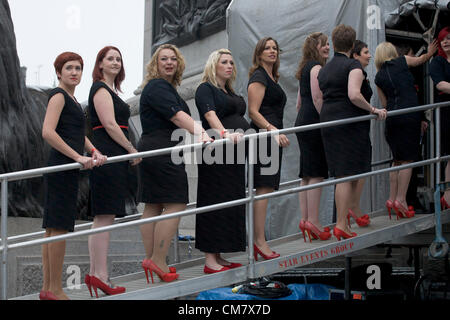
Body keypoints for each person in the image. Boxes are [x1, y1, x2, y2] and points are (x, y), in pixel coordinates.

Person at [138, 44, 211, 283]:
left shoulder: (162, 87)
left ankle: (153, 261)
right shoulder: (158, 86)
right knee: (177, 202)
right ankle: (157, 259)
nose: (169, 63)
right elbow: (178, 116)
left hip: (153, 148)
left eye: (173, 59)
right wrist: (201, 133)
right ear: (155, 65)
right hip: (162, 149)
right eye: (163, 59)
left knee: (153, 205)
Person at [41, 52, 107, 300]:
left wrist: (92, 150)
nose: (74, 72)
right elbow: (48, 132)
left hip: (65, 166)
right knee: (57, 228)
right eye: (69, 68)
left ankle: (49, 289)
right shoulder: (58, 96)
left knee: (53, 229)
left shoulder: (72, 99)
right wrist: (78, 157)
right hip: (61, 166)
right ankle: (54, 288)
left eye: (78, 68)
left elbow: (75, 132)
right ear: (59, 72)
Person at [318, 25, 387, 241]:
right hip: (348, 123)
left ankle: (344, 219)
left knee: (342, 175)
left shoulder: (325, 68)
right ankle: (341, 224)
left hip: (329, 121)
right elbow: (354, 95)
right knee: (348, 175)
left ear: (335, 42)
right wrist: (373, 109)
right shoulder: (353, 65)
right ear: (352, 44)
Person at [85, 46, 141, 298]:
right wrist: (131, 149)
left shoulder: (112, 90)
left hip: (113, 154)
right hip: (108, 152)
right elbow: (108, 123)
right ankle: (99, 275)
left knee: (104, 217)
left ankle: (98, 274)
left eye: (119, 59)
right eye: (110, 59)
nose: (116, 62)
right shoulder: (100, 88)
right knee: (104, 217)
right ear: (100, 64)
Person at [194, 49, 249, 273]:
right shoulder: (205, 89)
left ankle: (220, 253)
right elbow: (209, 115)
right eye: (224, 62)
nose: (229, 66)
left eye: (232, 62)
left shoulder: (229, 91)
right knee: (214, 200)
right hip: (216, 152)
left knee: (230, 199)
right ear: (214, 65)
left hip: (234, 155)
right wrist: (226, 134)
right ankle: (210, 259)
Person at [375, 40, 438, 219]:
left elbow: (384, 103)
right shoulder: (402, 61)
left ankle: (392, 198)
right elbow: (420, 60)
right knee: (408, 160)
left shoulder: (379, 76)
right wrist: (431, 52)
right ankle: (401, 200)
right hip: (408, 116)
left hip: (392, 118)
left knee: (396, 161)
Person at [248, 37, 289, 260]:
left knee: (267, 189)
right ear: (259, 53)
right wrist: (272, 129)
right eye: (267, 48)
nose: (272, 51)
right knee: (263, 189)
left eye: (275, 48)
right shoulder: (259, 76)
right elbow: (253, 111)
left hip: (272, 137)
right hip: (265, 137)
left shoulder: (272, 76)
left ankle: (260, 241)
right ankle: (259, 242)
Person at [294, 32, 331, 242]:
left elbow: (299, 102)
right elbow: (318, 98)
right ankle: (314, 222)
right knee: (316, 172)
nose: (327, 47)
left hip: (302, 120)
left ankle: (305, 219)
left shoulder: (304, 69)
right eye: (323, 45)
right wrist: (326, 123)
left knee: (306, 174)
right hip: (314, 122)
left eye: (328, 44)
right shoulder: (317, 68)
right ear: (314, 48)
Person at [345, 40, 374, 227]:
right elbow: (354, 96)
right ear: (355, 55)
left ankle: (353, 205)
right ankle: (353, 206)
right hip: (357, 124)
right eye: (365, 52)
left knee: (359, 168)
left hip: (360, 124)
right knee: (361, 166)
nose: (369, 55)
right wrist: (372, 109)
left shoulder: (360, 73)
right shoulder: (357, 72)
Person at [429, 26, 450, 210]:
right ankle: (447, 195)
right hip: (446, 114)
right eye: (443, 39)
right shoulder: (437, 62)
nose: (446, 41)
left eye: (449, 38)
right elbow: (441, 85)